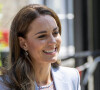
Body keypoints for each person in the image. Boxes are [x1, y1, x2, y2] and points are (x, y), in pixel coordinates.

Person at [0, 4, 81, 90]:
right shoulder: (3, 86)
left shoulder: (71, 77)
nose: (53, 41)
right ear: (23, 44)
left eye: (55, 33)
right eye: (42, 36)